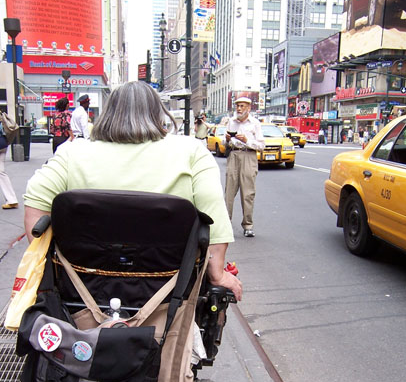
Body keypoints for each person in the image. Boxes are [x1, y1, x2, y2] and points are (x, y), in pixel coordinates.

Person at [23, 81, 242, 301]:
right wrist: (217, 275)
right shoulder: (191, 151)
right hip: (171, 290)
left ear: (108, 113)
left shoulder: (71, 153)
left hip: (81, 289)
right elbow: (214, 214)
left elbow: (35, 210)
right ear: (158, 114)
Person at [224, 96, 265, 238]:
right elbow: (225, 144)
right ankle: (225, 223)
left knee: (248, 193)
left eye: (242, 106)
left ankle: (248, 225)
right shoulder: (231, 122)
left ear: (248, 108)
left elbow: (261, 145)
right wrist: (228, 140)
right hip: (234, 155)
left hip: (249, 156)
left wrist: (247, 140)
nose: (239, 109)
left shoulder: (255, 123)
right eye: (237, 106)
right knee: (229, 192)